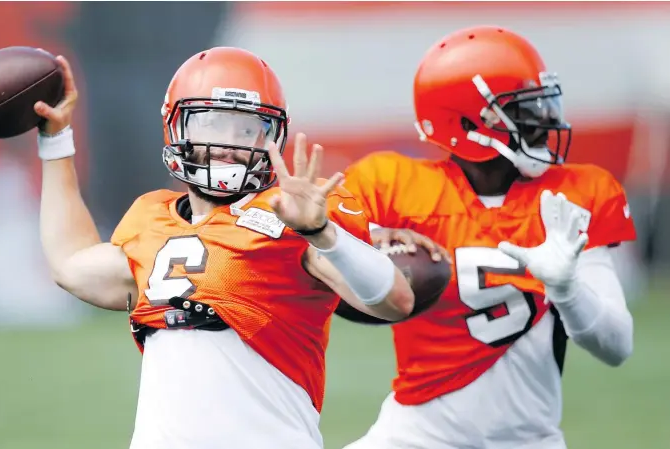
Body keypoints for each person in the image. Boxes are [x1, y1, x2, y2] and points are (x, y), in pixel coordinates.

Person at [33, 47, 416, 449]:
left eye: (247, 129)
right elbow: (70, 265)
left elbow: (394, 301)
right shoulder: (152, 218)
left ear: (271, 137)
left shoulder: (289, 216)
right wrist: (55, 140)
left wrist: (322, 232)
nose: (230, 144)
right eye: (214, 125)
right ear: (177, 128)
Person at [340, 26, 636, 449]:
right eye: (524, 111)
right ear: (468, 123)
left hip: (529, 440)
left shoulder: (573, 195)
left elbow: (617, 346)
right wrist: (356, 237)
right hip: (414, 435)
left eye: (543, 105)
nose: (546, 123)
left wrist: (567, 289)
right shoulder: (391, 186)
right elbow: (314, 241)